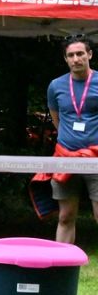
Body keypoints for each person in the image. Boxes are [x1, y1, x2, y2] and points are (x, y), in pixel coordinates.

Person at [43, 36, 98, 244]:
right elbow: (56, 119)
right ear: (65, 59)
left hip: (96, 157)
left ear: (89, 55)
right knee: (65, 216)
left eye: (80, 54)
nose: (76, 59)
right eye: (71, 55)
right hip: (65, 157)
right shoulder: (56, 86)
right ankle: (60, 268)